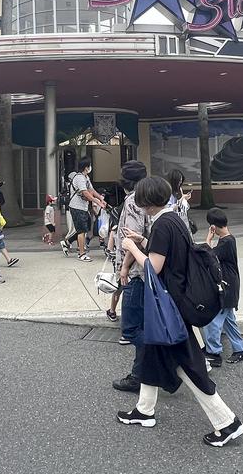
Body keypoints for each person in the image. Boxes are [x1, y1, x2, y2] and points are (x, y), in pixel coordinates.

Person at [118, 176, 243, 447]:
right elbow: (171, 252)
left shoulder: (162, 224)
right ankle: (144, 410)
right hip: (175, 303)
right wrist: (143, 240)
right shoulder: (173, 218)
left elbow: (154, 267)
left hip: (169, 307)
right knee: (153, 352)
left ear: (145, 201)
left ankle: (227, 422)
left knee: (189, 365)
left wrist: (130, 248)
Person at [111, 161, 150, 393]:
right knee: (144, 325)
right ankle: (139, 375)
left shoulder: (133, 200)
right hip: (150, 268)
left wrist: (124, 267)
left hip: (136, 273)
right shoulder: (152, 196)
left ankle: (162, 359)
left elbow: (131, 237)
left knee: (131, 329)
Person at [202, 208, 243, 367]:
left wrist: (208, 238)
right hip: (230, 284)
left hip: (226, 286)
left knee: (213, 320)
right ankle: (240, 349)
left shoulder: (226, 242)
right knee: (228, 320)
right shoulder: (228, 239)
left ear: (213, 226)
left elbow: (207, 255)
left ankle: (213, 353)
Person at [61, 157, 106, 262]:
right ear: (86, 167)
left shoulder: (86, 177)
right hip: (77, 207)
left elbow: (91, 190)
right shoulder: (79, 178)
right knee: (82, 230)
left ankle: (67, 243)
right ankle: (81, 253)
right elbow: (85, 192)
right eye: (90, 165)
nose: (91, 167)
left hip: (83, 207)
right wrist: (97, 202)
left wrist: (100, 199)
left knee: (85, 227)